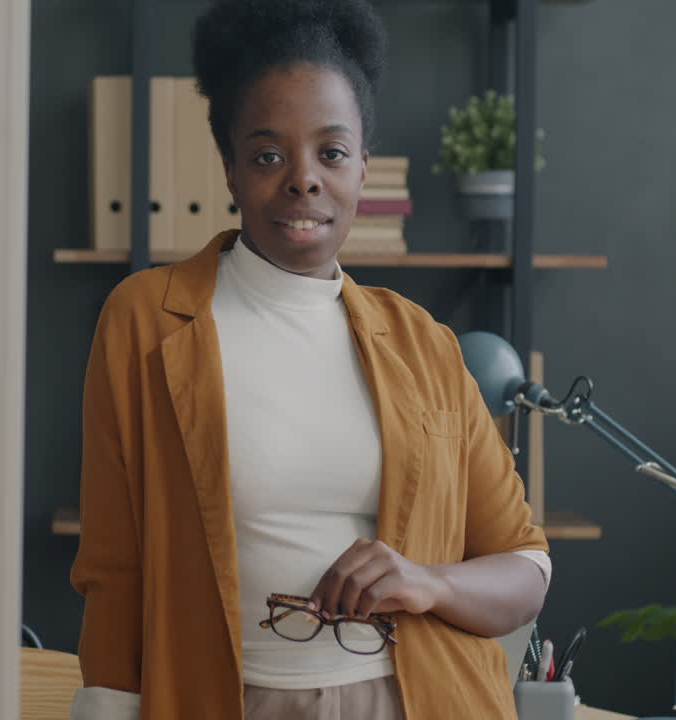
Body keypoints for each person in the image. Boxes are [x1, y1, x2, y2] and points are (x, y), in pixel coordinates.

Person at [69, 1, 551, 718]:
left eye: (330, 152)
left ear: (363, 165)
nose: (303, 180)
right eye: (268, 155)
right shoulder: (145, 321)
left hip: (415, 701)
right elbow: (114, 570)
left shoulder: (426, 345)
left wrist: (428, 582)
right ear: (230, 170)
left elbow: (524, 567)